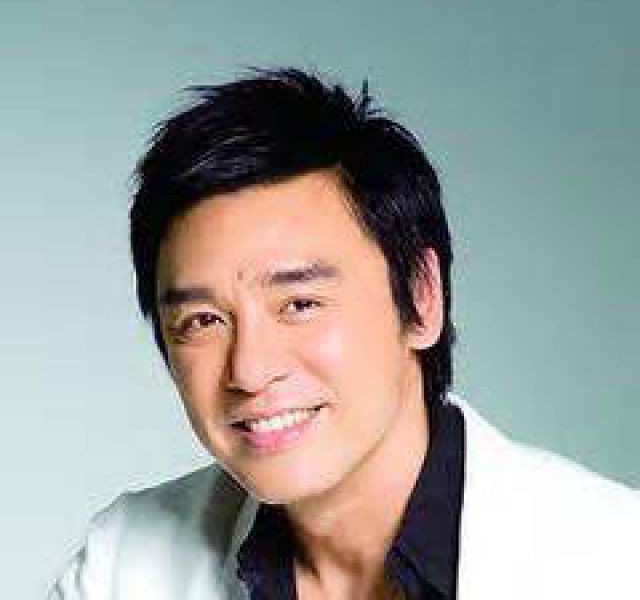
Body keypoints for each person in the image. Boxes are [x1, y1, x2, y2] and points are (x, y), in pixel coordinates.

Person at [49, 68, 639, 600]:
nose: (250, 371)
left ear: (421, 297)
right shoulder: (123, 566)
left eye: (300, 304)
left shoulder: (614, 561)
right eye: (204, 321)